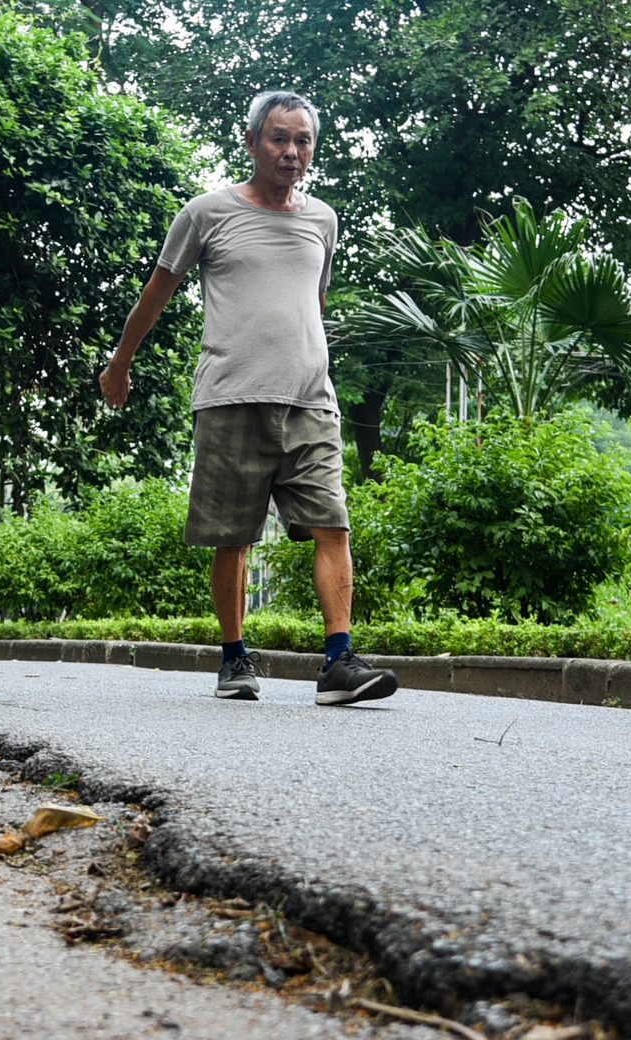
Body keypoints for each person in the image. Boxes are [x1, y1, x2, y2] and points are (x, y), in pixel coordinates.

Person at [98, 90, 398, 707]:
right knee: (232, 538)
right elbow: (157, 291)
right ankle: (234, 658)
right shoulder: (206, 213)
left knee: (331, 526)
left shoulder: (324, 219)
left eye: (303, 140)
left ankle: (338, 661)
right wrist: (120, 362)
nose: (292, 152)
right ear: (253, 142)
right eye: (279, 139)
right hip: (231, 396)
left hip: (311, 400)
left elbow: (312, 301)